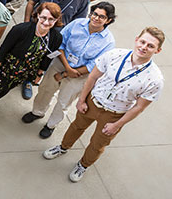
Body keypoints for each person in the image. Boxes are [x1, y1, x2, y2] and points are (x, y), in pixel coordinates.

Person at [42, 27, 165, 183]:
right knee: (76, 127)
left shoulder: (155, 79)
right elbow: (92, 78)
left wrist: (117, 125)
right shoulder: (114, 55)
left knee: (98, 144)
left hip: (114, 114)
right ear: (136, 40)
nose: (144, 47)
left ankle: (83, 165)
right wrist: (82, 100)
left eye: (150, 46)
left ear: (157, 50)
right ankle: (63, 147)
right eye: (142, 42)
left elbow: (139, 107)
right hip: (93, 102)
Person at [25, 2, 116, 138]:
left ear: (108, 20)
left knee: (64, 102)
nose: (96, 18)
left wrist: (68, 74)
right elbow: (60, 43)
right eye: (95, 14)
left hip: (82, 74)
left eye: (101, 17)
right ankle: (37, 112)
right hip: (61, 61)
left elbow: (96, 64)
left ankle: (51, 125)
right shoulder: (77, 24)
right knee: (45, 89)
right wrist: (67, 68)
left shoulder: (108, 42)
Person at [0, 2, 63, 129]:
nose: (46, 22)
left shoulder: (56, 37)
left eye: (51, 19)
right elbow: (3, 49)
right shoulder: (21, 29)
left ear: (56, 20)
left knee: (6, 89)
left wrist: (40, 73)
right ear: (38, 15)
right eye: (44, 17)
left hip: (26, 71)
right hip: (7, 66)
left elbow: (47, 58)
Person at [22, 0, 91, 99]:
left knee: (41, 59)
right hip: (34, 27)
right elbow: (31, 3)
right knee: (22, 51)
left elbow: (78, 24)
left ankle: (28, 81)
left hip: (54, 37)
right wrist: (26, 23)